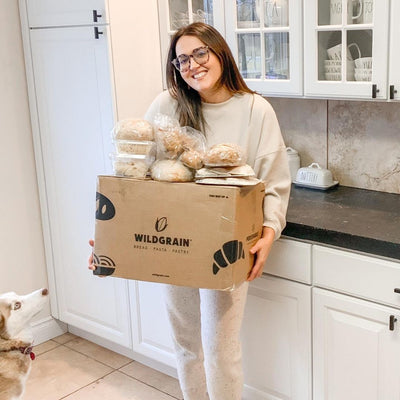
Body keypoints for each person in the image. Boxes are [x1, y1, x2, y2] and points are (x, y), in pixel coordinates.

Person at [89, 22, 291, 400]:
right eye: (181, 60)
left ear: (220, 54)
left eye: (200, 53)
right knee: (185, 345)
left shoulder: (255, 110)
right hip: (173, 239)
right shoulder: (166, 105)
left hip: (226, 245)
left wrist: (268, 233)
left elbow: (275, 181)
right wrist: (108, 235)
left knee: (221, 350)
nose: (192, 65)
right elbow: (135, 173)